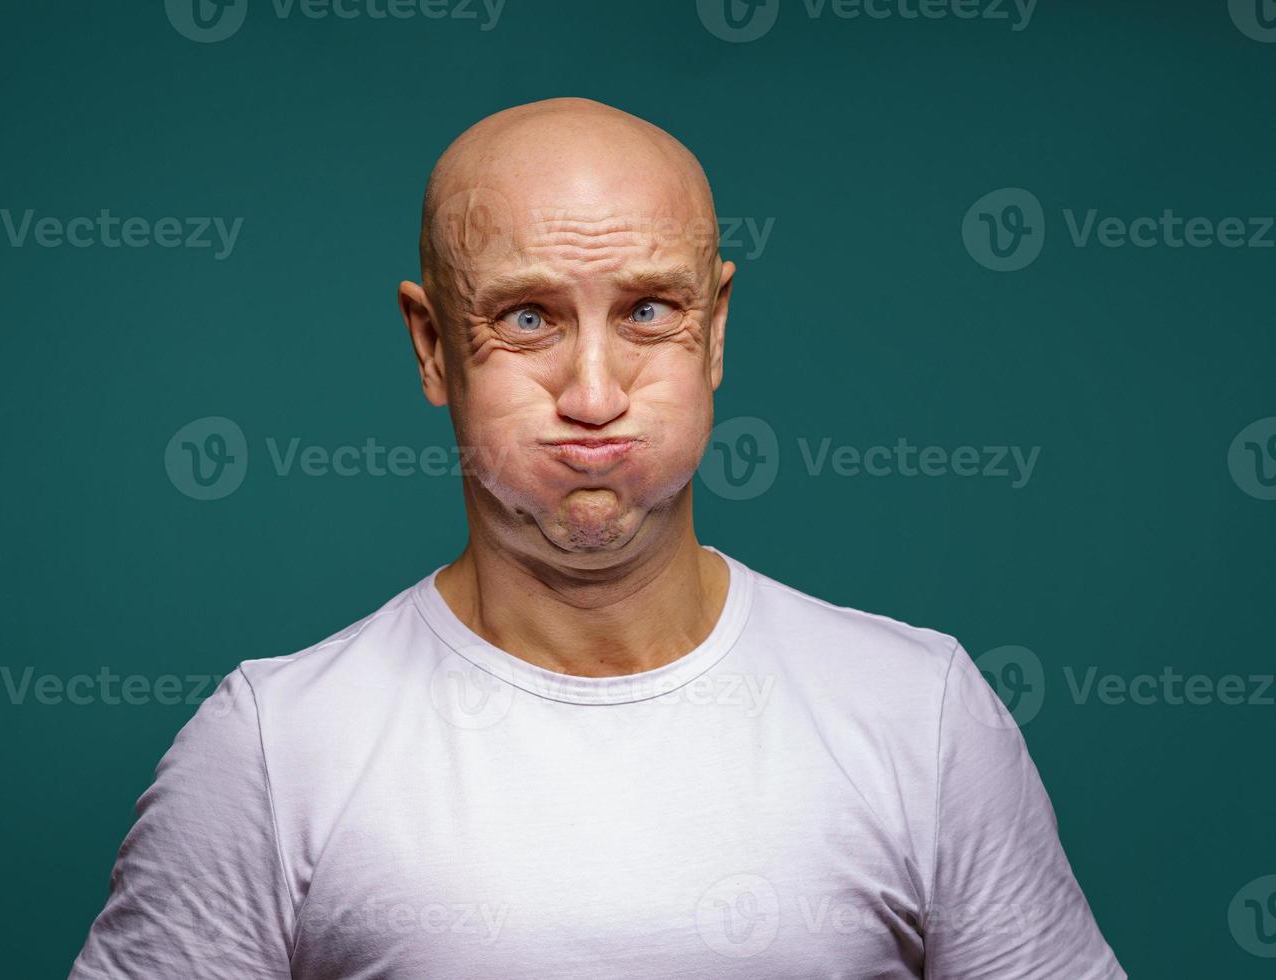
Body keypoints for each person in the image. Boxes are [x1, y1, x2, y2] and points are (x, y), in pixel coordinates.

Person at [69, 97, 1124, 978]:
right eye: (528, 317)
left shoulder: (922, 716)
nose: (593, 392)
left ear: (716, 329)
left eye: (648, 312)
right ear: (433, 345)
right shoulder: (272, 749)